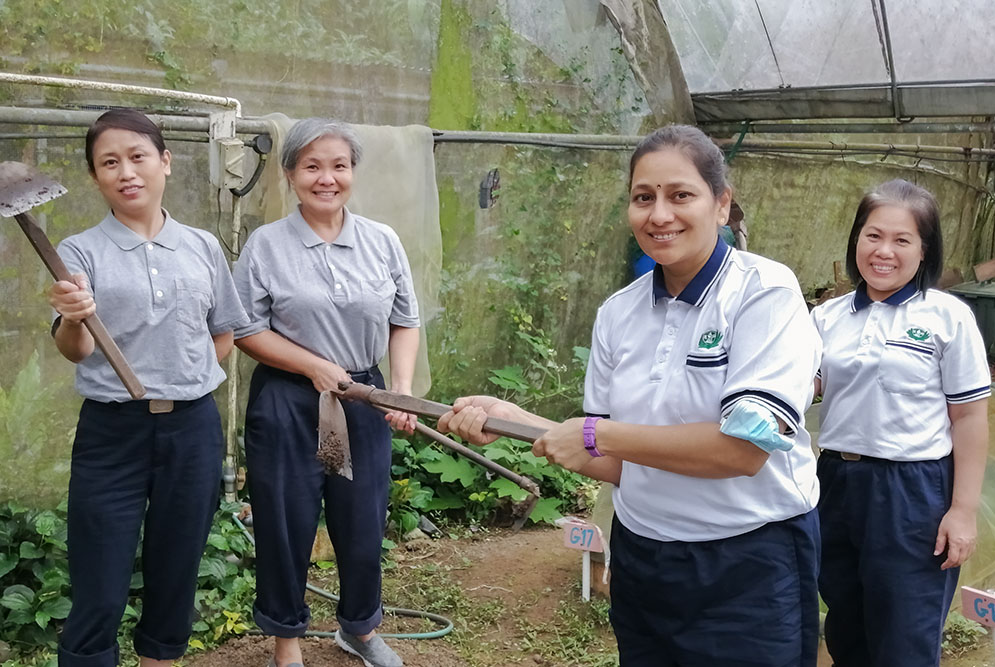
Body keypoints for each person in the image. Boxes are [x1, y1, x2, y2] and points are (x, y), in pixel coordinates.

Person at [438, 125, 822, 666]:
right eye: (644, 198)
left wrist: (594, 433)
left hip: (747, 564)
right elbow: (618, 461)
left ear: (721, 204)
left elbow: (741, 451)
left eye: (680, 195)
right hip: (644, 555)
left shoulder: (765, 294)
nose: (659, 214)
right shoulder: (619, 312)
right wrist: (515, 420)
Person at [47, 109, 248, 666]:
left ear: (165, 161)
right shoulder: (79, 252)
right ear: (96, 177)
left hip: (192, 428)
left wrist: (183, 377)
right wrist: (71, 316)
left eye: (138, 156)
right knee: (100, 578)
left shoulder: (203, 246)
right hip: (112, 434)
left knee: (176, 568)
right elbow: (75, 349)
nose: (126, 171)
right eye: (109, 162)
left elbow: (224, 333)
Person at [232, 118, 420, 667]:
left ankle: (359, 629)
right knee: (286, 522)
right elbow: (246, 329)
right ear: (290, 174)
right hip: (289, 404)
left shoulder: (382, 241)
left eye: (339, 165)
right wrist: (313, 365)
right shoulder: (266, 246)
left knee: (361, 521)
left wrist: (400, 393)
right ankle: (287, 640)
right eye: (312, 166)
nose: (327, 178)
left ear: (352, 172)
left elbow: (404, 321)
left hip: (362, 400)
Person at [811, 179, 990, 666]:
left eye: (901, 240)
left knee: (904, 635)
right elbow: (806, 386)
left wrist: (962, 511)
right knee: (846, 621)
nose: (883, 251)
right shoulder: (828, 317)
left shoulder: (947, 317)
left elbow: (970, 416)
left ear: (924, 250)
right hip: (838, 482)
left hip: (912, 492)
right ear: (856, 240)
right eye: (872, 236)